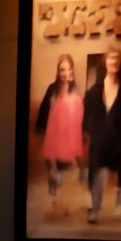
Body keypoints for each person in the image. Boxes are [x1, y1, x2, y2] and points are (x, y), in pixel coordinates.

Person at [82, 46, 121, 224]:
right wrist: (85, 135)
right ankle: (94, 209)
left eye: (117, 60)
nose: (114, 62)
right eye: (110, 59)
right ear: (105, 63)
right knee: (98, 175)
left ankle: (119, 205)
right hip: (100, 140)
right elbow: (86, 116)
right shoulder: (94, 91)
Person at [34, 53, 84, 217]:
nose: (66, 72)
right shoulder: (52, 89)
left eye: (69, 69)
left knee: (66, 175)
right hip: (53, 140)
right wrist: (40, 130)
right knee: (54, 174)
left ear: (72, 71)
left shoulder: (76, 94)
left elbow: (79, 120)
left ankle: (63, 206)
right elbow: (43, 112)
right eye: (63, 69)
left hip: (68, 143)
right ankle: (54, 203)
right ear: (58, 71)